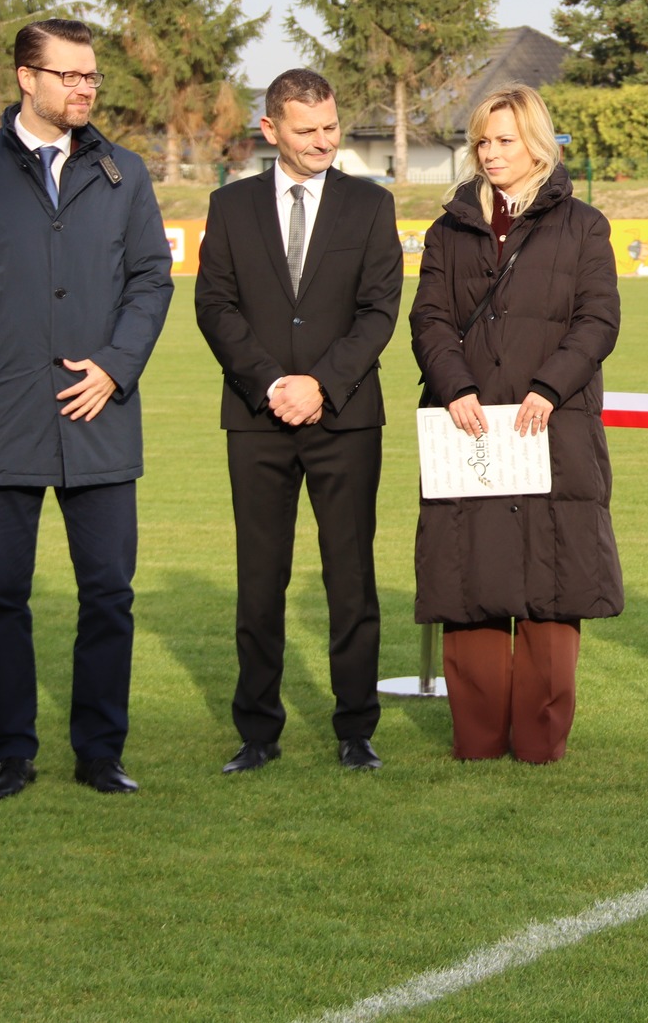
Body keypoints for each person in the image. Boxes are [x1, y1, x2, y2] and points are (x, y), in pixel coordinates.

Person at [0, 20, 173, 800]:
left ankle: (100, 751)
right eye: (69, 75)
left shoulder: (124, 172)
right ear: (26, 78)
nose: (85, 89)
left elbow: (152, 279)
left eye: (92, 76)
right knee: (0, 593)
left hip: (100, 416)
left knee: (108, 592)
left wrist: (116, 366)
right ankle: (11, 753)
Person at [194, 69, 403, 775]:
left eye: (331, 126)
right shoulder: (229, 208)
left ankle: (356, 729)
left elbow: (380, 310)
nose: (325, 140)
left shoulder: (371, 206)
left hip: (345, 419)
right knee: (259, 582)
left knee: (351, 579)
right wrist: (272, 383)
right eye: (308, 129)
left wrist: (321, 384)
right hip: (257, 418)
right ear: (271, 130)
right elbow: (215, 307)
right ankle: (257, 731)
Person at [409, 85, 621, 763]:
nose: (490, 153)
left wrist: (549, 387)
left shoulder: (584, 226)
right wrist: (455, 385)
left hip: (551, 426)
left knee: (551, 582)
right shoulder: (448, 229)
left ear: (536, 144)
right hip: (465, 424)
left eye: (504, 140)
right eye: (481, 140)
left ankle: (539, 742)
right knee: (467, 580)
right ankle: (474, 739)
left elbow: (598, 320)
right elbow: (429, 320)